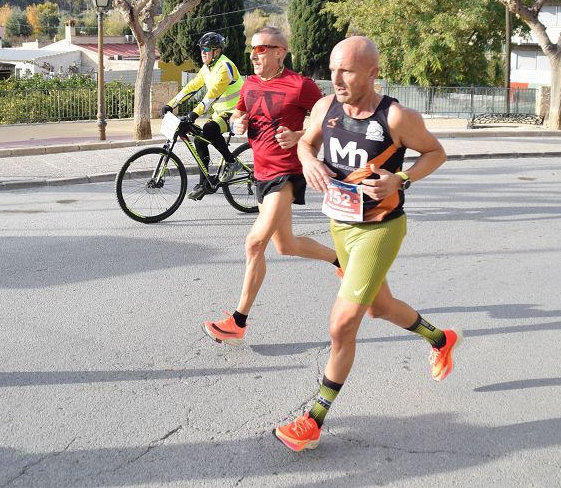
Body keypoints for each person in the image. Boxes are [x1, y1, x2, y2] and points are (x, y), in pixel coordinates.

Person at [273, 35, 459, 452]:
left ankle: (313, 420)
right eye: (334, 69)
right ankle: (440, 339)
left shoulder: (396, 117)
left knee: (342, 324)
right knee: (380, 307)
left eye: (348, 71)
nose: (337, 78)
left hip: (380, 228)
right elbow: (305, 142)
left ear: (373, 72)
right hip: (341, 224)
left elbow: (436, 152)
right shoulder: (326, 107)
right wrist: (309, 160)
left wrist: (401, 178)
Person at [202, 27, 341, 343]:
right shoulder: (249, 83)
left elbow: (328, 119)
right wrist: (238, 120)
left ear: (281, 51)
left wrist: (300, 135)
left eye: (261, 49)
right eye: (252, 49)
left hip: (286, 174)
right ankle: (340, 260)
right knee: (286, 245)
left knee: (254, 243)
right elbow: (241, 110)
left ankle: (238, 322)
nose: (253, 55)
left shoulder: (300, 85)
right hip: (262, 174)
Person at [162, 32, 244, 200]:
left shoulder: (225, 67)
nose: (203, 53)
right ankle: (204, 183)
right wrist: (171, 104)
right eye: (201, 50)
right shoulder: (207, 68)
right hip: (220, 112)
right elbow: (192, 87)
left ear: (217, 51)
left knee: (209, 128)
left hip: (237, 111)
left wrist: (194, 114)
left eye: (206, 49)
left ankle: (231, 162)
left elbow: (212, 95)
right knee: (199, 139)